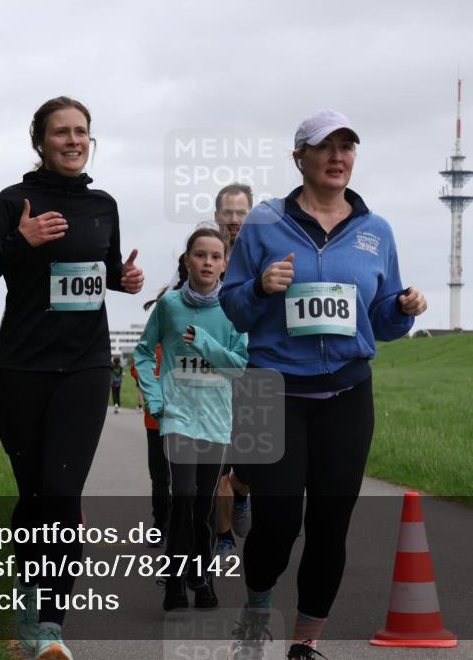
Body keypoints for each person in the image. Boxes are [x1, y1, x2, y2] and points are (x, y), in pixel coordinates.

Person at [219, 109, 427, 660]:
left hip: (347, 394)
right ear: (299, 157)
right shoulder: (263, 223)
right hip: (270, 390)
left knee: (330, 526)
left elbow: (381, 319)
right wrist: (260, 287)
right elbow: (233, 308)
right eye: (325, 146)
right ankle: (256, 611)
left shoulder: (376, 231)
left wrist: (403, 309)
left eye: (346, 146)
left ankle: (305, 642)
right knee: (278, 522)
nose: (338, 156)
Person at [0, 95, 143, 660]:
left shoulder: (104, 205)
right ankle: (28, 593)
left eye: (81, 131)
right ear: (39, 141)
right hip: (22, 369)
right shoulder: (15, 201)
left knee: (63, 495)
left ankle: (50, 625)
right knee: (35, 496)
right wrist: (22, 241)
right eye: (61, 132)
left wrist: (123, 279)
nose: (73, 140)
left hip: (85, 367)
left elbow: (102, 270)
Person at [135, 227, 248, 612]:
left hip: (215, 421)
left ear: (224, 265)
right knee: (182, 497)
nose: (207, 263)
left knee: (204, 505)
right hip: (178, 418)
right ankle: (174, 582)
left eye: (215, 257)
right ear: (187, 261)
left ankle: (201, 578)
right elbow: (144, 353)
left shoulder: (233, 309)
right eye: (200, 255)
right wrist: (155, 398)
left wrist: (203, 342)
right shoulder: (168, 305)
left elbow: (238, 366)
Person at [210, 184, 255, 559]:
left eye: (242, 212)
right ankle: (223, 536)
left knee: (254, 459)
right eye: (228, 212)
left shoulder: (263, 255)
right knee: (217, 465)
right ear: (217, 216)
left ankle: (242, 487)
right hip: (216, 376)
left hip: (257, 370)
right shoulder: (205, 253)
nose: (234, 219)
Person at [129, 343, 169, 546]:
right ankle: (161, 523)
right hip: (156, 423)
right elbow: (136, 367)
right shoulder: (152, 344)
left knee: (187, 479)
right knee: (160, 477)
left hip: (188, 423)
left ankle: (184, 523)